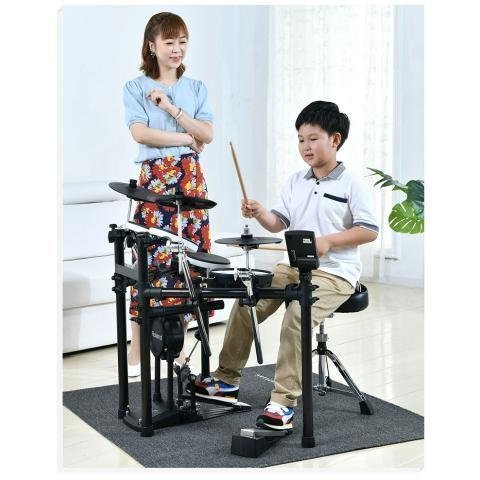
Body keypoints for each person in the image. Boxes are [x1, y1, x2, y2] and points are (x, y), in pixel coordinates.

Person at [193, 101, 379, 430]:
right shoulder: (296, 181)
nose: (305, 146)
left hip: (335, 273)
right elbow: (278, 223)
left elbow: (369, 230)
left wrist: (329, 241)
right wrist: (259, 212)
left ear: (335, 139)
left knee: (296, 317)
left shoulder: (352, 183)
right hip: (291, 266)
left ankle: (283, 402)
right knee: (247, 303)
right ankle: (225, 381)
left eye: (313, 138)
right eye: (300, 139)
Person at [122, 12, 214, 377]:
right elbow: (141, 134)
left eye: (182, 42)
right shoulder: (135, 87)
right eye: (169, 42)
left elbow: (208, 134)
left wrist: (170, 108)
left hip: (190, 180)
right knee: (148, 260)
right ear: (152, 45)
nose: (177, 49)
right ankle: (136, 352)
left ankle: (177, 351)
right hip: (154, 180)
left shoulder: (196, 87)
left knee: (190, 261)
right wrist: (187, 137)